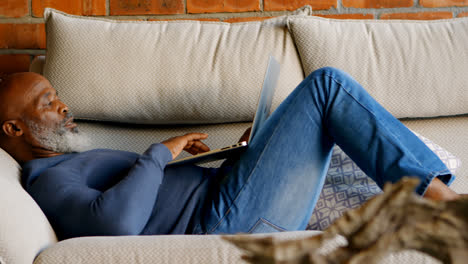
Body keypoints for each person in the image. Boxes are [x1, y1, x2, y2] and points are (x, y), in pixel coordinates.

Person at [0, 68, 459, 240]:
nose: (63, 105)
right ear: (14, 128)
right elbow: (116, 224)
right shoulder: (46, 179)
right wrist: (159, 151)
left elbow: (155, 199)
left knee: (309, 111)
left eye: (58, 94)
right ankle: (444, 205)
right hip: (225, 222)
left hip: (231, 197)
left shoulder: (71, 161)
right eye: (47, 101)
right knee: (326, 87)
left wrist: (243, 156)